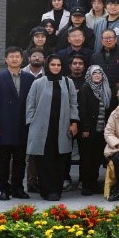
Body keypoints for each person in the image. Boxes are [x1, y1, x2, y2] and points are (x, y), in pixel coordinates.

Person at [24, 55, 79, 201]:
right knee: (44, 160)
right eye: (53, 65)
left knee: (59, 160)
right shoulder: (38, 82)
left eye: (58, 65)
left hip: (61, 128)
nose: (56, 67)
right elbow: (30, 104)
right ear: (48, 66)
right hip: (42, 128)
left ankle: (56, 190)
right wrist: (31, 122)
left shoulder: (68, 82)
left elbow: (73, 103)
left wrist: (74, 122)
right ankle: (46, 190)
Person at [0, 47, 35, 200]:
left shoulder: (29, 79)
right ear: (6, 59)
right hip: (4, 126)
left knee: (20, 160)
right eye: (11, 57)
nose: (14, 59)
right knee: (3, 159)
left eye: (17, 57)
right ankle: (4, 189)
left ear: (22, 59)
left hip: (22, 126)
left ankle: (18, 188)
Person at [77, 65, 110, 196]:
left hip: (101, 130)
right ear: (90, 76)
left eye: (99, 73)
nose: (97, 75)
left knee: (96, 158)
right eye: (94, 73)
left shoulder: (105, 88)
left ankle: (94, 183)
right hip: (89, 130)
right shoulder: (85, 89)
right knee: (86, 159)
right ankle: (86, 185)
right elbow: (82, 110)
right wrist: (85, 128)